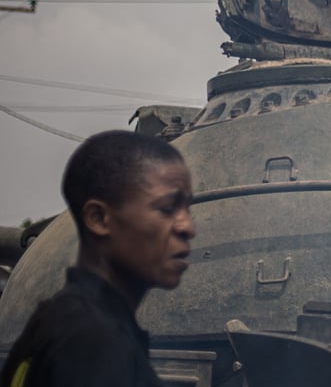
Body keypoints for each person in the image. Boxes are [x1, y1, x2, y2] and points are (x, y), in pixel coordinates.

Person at [1, 131, 196, 387]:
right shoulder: (93, 341)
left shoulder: (56, 321)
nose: (187, 227)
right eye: (167, 209)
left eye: (187, 209)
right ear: (99, 219)